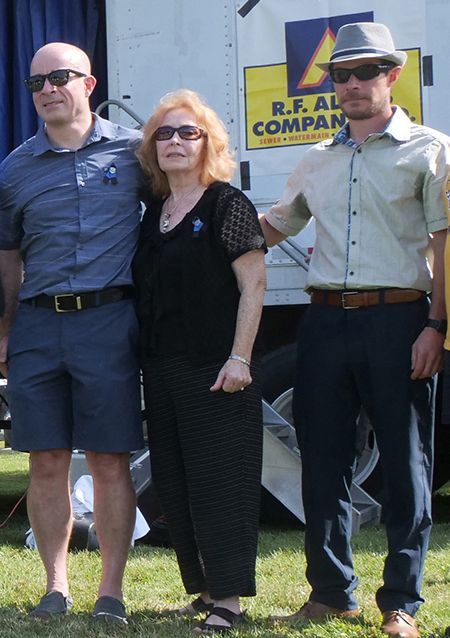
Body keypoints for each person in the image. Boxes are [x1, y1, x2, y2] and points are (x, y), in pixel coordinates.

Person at [260, 23, 449, 638]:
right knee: (322, 460)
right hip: (324, 323)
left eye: (366, 72)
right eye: (341, 75)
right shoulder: (316, 158)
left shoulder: (430, 149)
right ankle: (331, 591)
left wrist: (437, 328)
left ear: (392, 75)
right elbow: (276, 226)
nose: (352, 84)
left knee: (405, 461)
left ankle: (401, 602)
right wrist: (198, 218)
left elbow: (445, 246)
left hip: (402, 320)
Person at [0, 42, 144, 625]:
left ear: (88, 83)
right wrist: (6, 328)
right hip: (36, 322)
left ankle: (111, 591)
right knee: (47, 460)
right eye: (37, 83)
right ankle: (55, 587)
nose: (48, 90)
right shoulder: (14, 168)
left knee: (109, 459)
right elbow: (8, 253)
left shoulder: (137, 154)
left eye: (60, 77)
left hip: (109, 321)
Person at [133, 89, 266, 633]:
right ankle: (206, 588)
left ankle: (230, 599)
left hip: (216, 368)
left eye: (189, 133)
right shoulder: (154, 212)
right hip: (162, 369)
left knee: (222, 482)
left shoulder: (227, 203)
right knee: (177, 481)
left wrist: (240, 358)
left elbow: (254, 285)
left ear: (208, 143)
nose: (176, 142)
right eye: (164, 134)